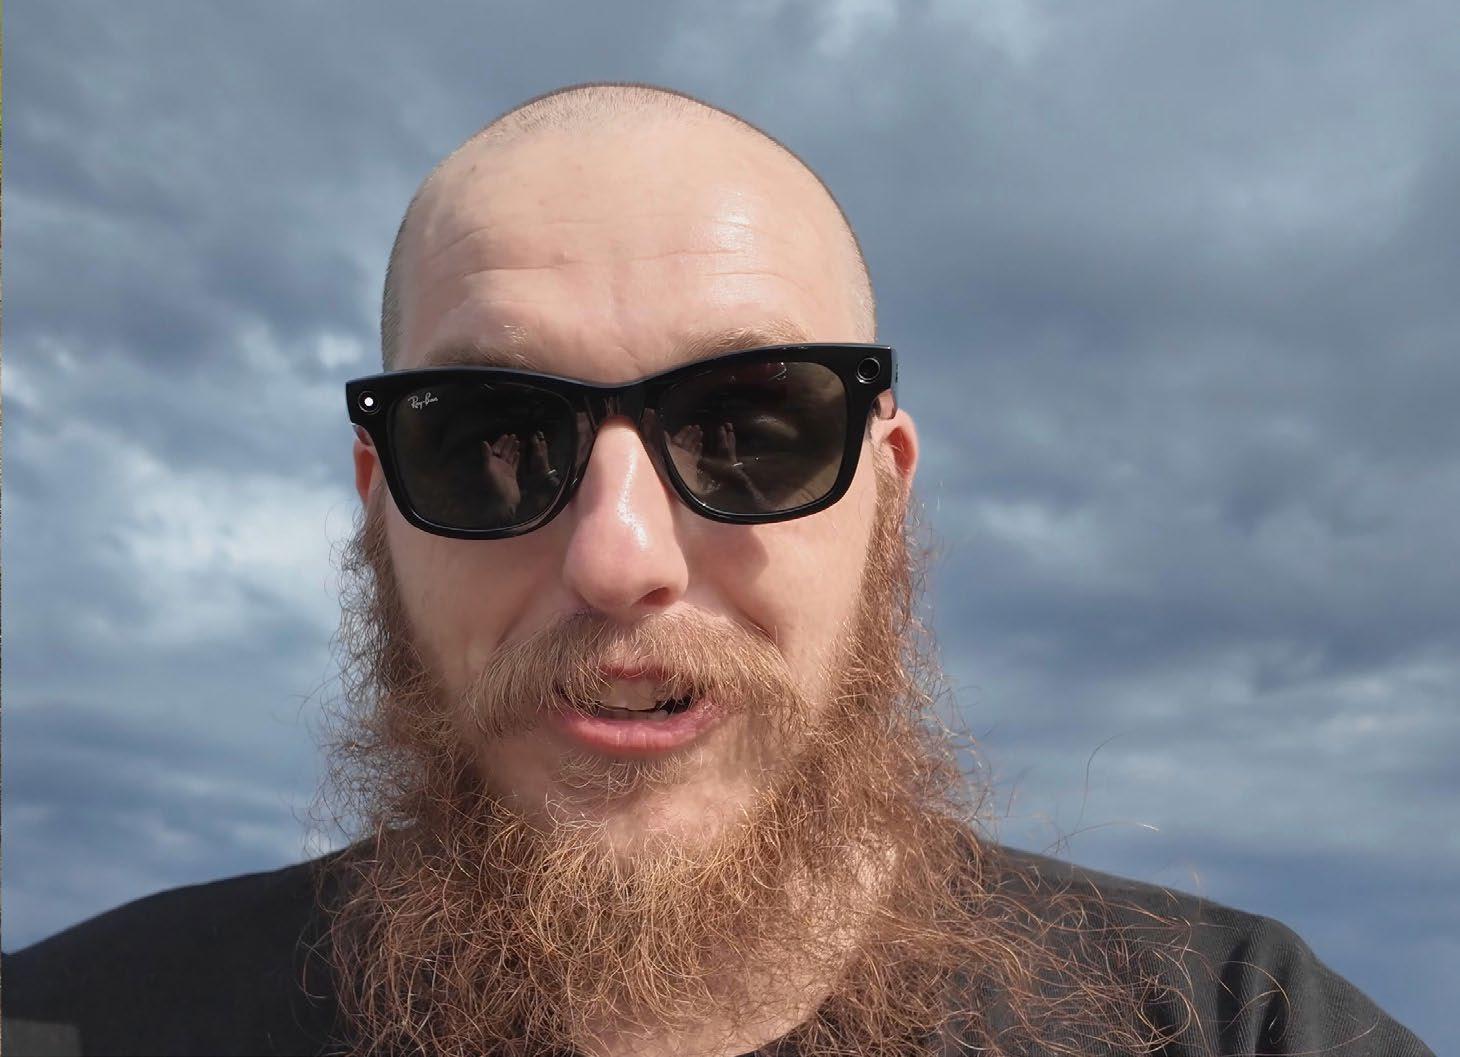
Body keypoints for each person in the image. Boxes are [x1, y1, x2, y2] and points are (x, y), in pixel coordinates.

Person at [1, 82, 1434, 1057]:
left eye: (751, 431)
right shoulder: (74, 1024)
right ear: (381, 505)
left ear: (888, 490)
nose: (618, 557)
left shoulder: (1239, 1027)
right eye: (491, 439)